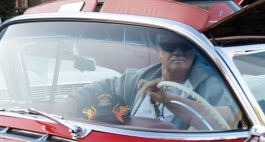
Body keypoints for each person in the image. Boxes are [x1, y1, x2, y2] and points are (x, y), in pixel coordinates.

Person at [63, 32, 237, 130]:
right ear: (158, 51)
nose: (178, 52)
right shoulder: (138, 78)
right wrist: (75, 99)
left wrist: (167, 99)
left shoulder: (211, 85)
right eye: (169, 46)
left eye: (185, 47)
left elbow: (223, 119)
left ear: (194, 52)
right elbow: (106, 86)